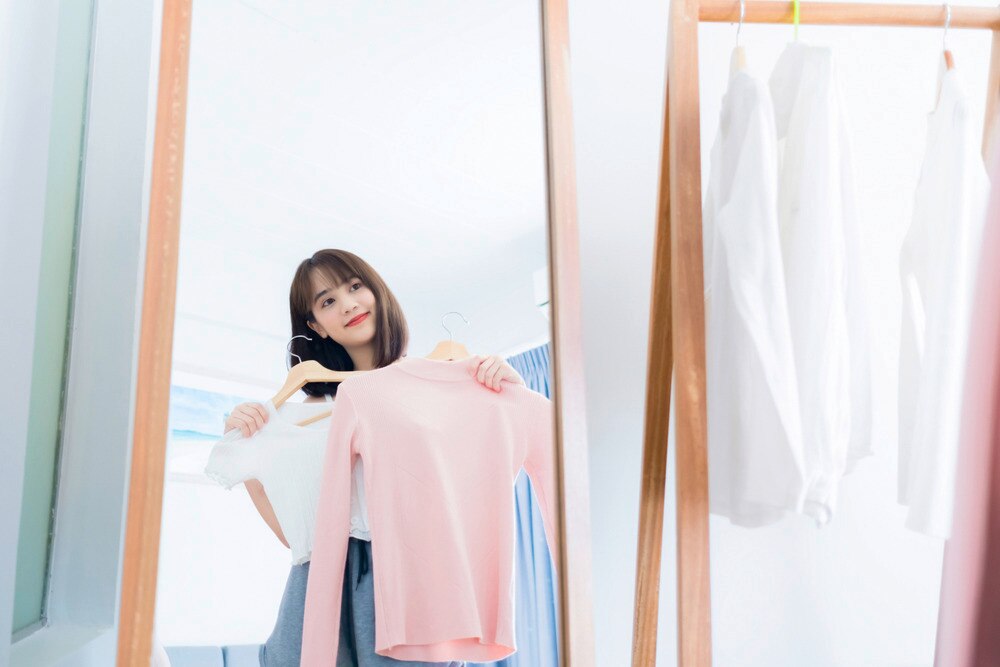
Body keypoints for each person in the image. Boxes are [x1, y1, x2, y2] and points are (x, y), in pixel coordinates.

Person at [222, 249, 526, 666]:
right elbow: (296, 537)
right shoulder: (306, 416)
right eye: (328, 301)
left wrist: (506, 393)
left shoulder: (435, 388)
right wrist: (247, 446)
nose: (348, 304)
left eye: (355, 287)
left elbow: (478, 490)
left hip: (411, 573)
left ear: (377, 292)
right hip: (321, 582)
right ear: (316, 326)